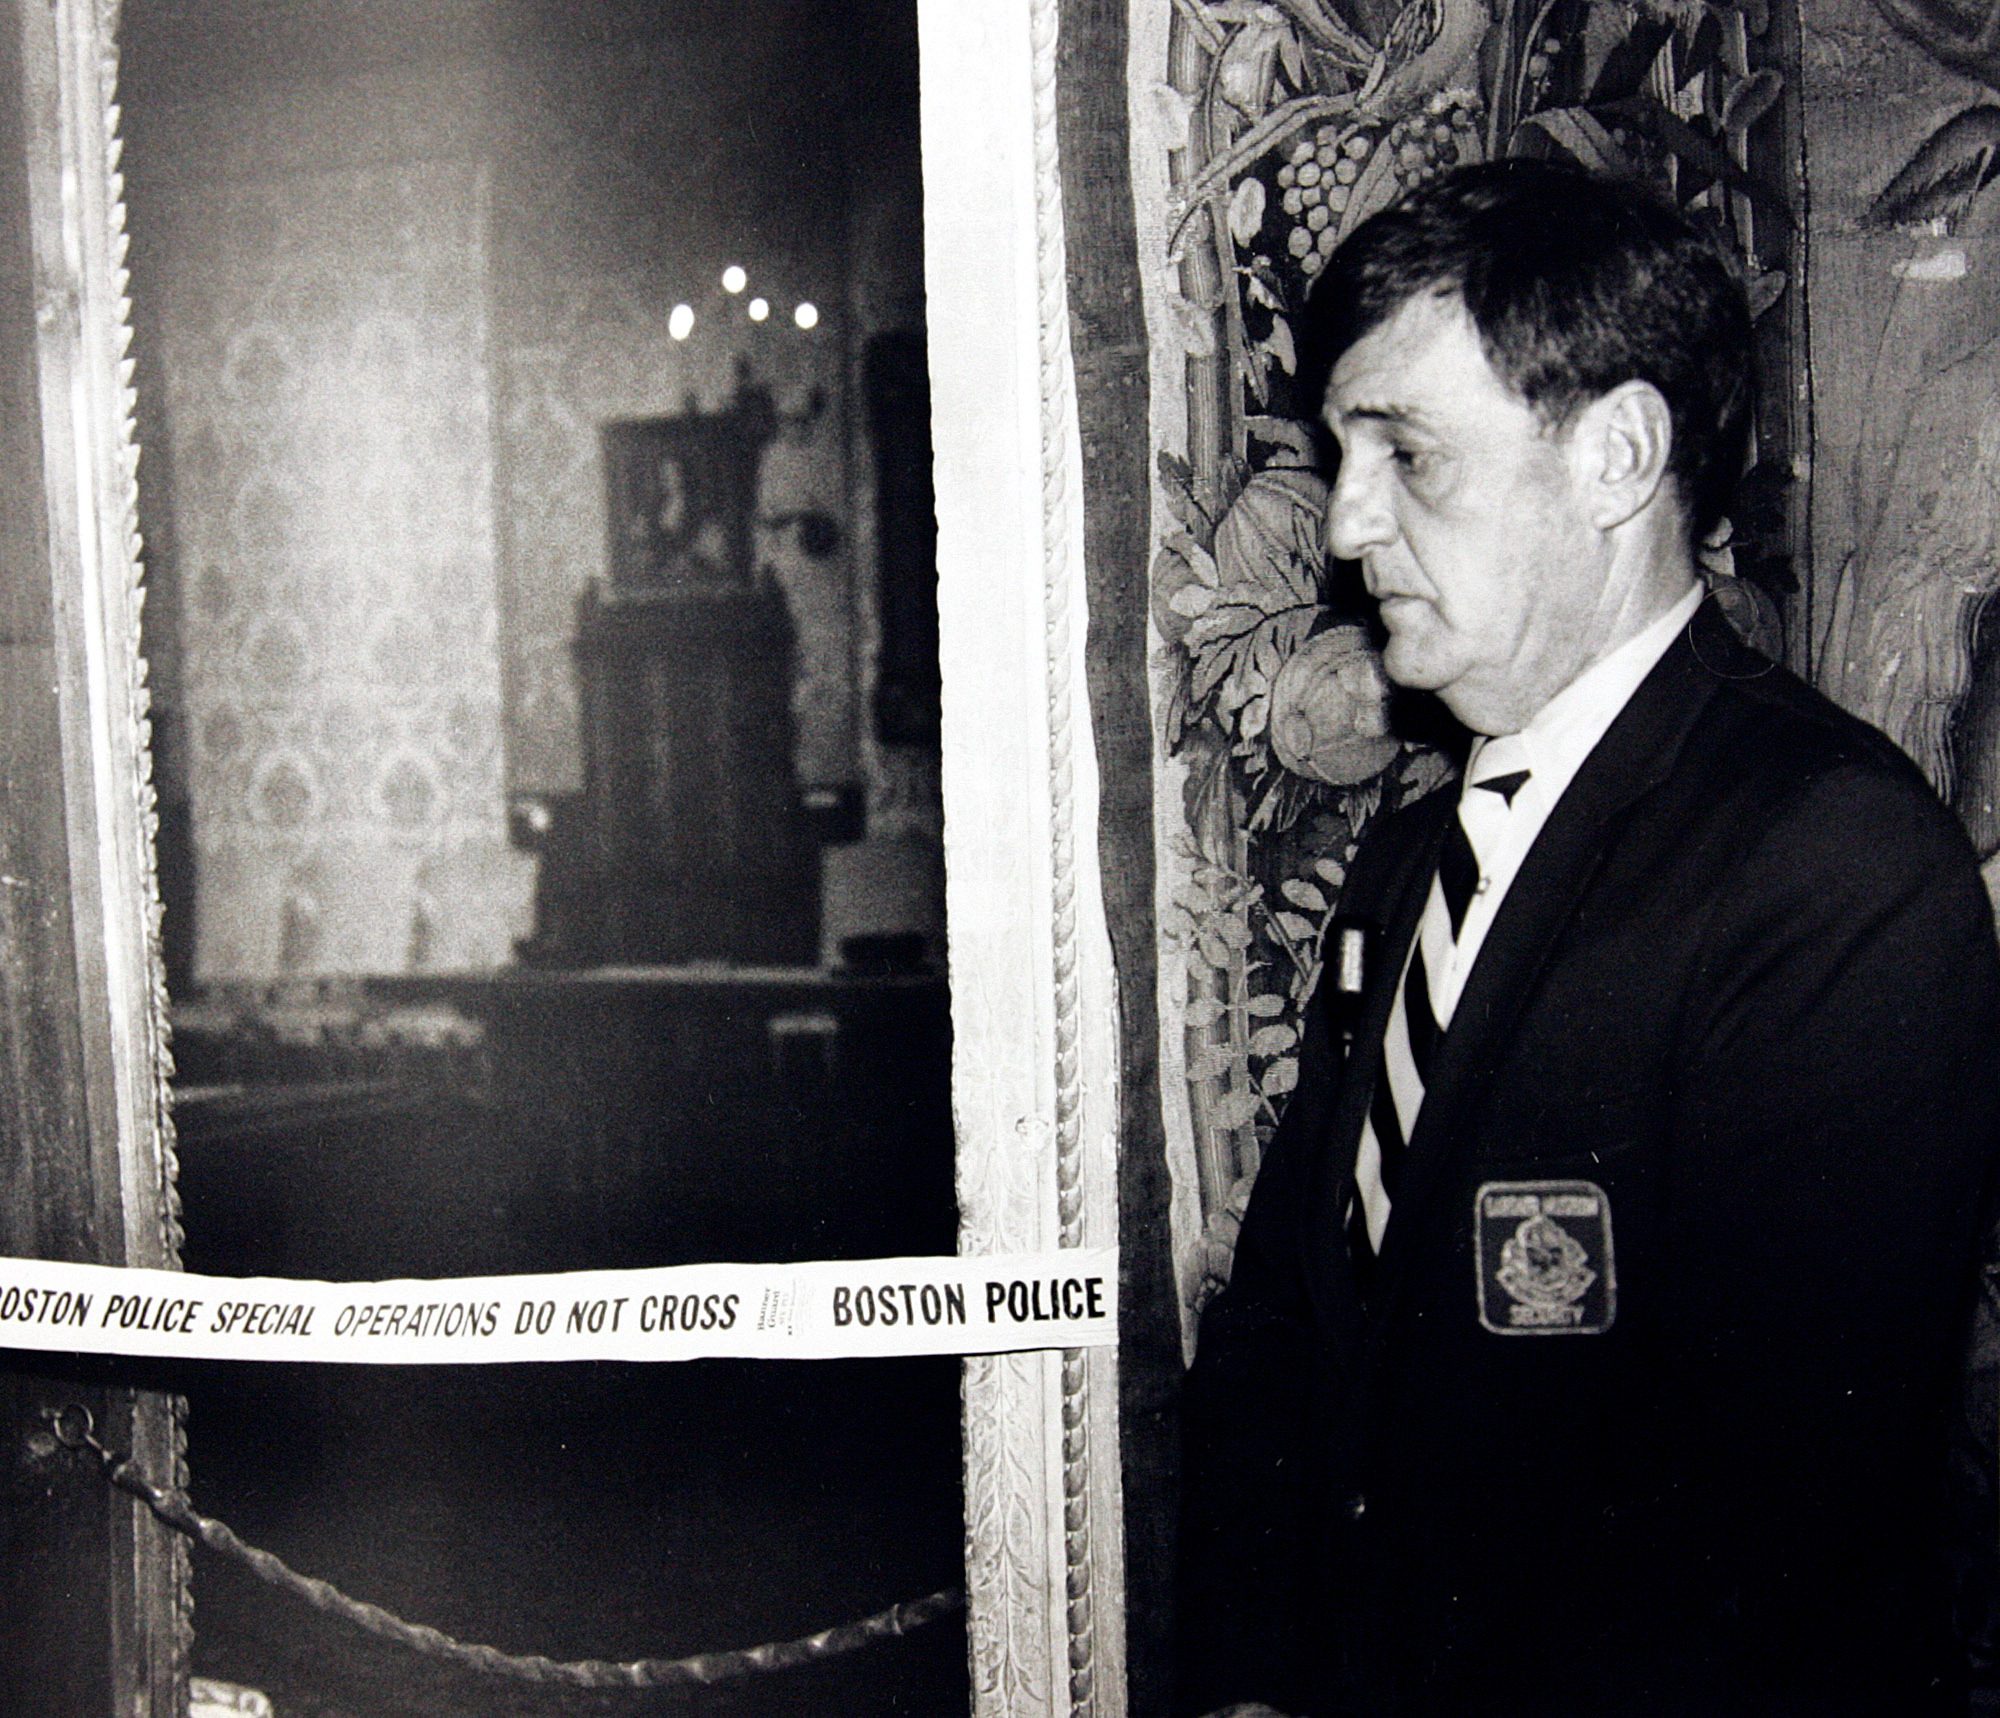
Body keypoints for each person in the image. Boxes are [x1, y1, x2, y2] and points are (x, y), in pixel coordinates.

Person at [1175, 159, 2000, 1717]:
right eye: (1342, 456)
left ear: (1619, 454)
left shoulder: (1831, 860)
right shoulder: (1419, 852)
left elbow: (1765, 1525)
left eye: (1405, 451)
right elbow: (1284, 1320)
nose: (1348, 526)